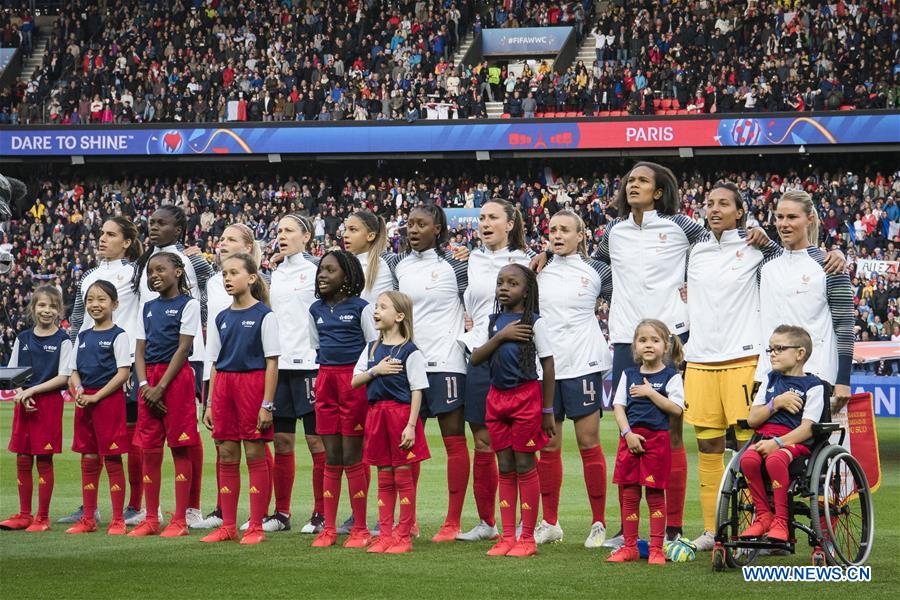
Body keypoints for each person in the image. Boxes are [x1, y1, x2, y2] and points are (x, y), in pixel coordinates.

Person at [532, 209, 613, 547]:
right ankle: (550, 522)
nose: (558, 235)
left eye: (565, 230)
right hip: (546, 367)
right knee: (548, 446)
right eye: (553, 229)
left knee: (588, 442)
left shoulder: (597, 270)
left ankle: (599, 523)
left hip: (584, 363)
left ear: (581, 235)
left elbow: (621, 300)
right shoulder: (537, 270)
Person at [393, 204, 470, 542]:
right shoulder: (398, 265)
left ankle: (452, 522)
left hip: (446, 362)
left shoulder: (457, 265)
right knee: (407, 442)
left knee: (454, 441)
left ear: (437, 228)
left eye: (421, 224)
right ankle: (407, 520)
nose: (413, 229)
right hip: (409, 364)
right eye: (410, 223)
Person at [457, 198, 533, 542]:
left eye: (493, 218)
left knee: (520, 444)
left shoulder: (527, 261)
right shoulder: (470, 259)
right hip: (479, 354)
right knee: (483, 441)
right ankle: (487, 522)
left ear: (510, 224)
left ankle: (525, 524)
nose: (485, 223)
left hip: (514, 358)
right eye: (482, 218)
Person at [62, 217, 144, 527]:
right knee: (90, 443)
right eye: (101, 233)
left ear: (126, 242)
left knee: (128, 439)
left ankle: (136, 505)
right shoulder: (89, 276)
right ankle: (90, 509)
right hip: (88, 363)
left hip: (124, 362)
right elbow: (78, 319)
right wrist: (72, 363)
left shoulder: (136, 273)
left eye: (111, 234)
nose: (102, 238)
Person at [192, 223, 274, 530]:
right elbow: (214, 358)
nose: (227, 278)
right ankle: (226, 522)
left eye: (234, 273)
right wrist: (209, 402)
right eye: (225, 274)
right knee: (226, 450)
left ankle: (257, 522)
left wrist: (267, 402)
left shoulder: (264, 312)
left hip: (252, 382)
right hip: (223, 382)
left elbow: (271, 359)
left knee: (254, 449)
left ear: (251, 277)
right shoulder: (219, 310)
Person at [471, 264, 556, 557]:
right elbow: (476, 358)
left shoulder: (535, 322)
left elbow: (548, 366)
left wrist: (547, 410)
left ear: (527, 291)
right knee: (505, 466)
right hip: (496, 399)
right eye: (500, 283)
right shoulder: (493, 321)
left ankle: (527, 538)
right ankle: (507, 537)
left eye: (512, 283)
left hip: (525, 398)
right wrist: (501, 336)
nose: (504, 288)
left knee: (524, 464)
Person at [136, 205, 212, 526]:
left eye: (161, 223)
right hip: (153, 358)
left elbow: (209, 294)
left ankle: (190, 508)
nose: (153, 227)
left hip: (186, 356)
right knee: (151, 440)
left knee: (187, 436)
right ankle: (151, 512)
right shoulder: (145, 262)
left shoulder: (192, 259)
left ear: (178, 229)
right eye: (151, 222)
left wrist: (194, 325)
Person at [757, 190, 854, 418]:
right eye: (780, 217)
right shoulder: (765, 267)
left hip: (817, 377)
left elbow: (845, 327)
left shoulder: (830, 265)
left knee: (816, 441)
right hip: (769, 378)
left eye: (792, 217)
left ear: (810, 219)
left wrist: (843, 381)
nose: (784, 224)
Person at [308, 250, 377, 548]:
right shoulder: (315, 309)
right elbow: (316, 346)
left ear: (347, 276)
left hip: (353, 381)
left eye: (330, 270)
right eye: (321, 270)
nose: (322, 275)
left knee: (352, 456)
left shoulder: (362, 308)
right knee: (331, 457)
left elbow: (373, 348)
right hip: (326, 381)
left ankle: (360, 528)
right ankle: (329, 528)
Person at [352, 291, 430, 554]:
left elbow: (417, 389)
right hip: (376, 416)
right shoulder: (371, 348)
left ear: (399, 316)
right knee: (384, 476)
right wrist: (376, 370)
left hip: (400, 416)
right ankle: (385, 535)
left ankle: (403, 536)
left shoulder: (410, 351)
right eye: (376, 306)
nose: (376, 311)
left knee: (403, 476)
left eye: (382, 307)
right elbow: (355, 380)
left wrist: (411, 426)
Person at [129, 253, 200, 537]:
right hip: (149, 382)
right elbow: (139, 350)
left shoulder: (188, 304)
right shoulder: (147, 307)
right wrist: (145, 385)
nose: (154, 275)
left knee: (180, 448)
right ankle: (151, 518)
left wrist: (160, 388)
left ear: (178, 272)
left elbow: (183, 349)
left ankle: (180, 520)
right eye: (150, 271)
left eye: (161, 269)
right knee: (149, 449)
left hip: (176, 379)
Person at [266, 215, 325, 534]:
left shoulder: (317, 269)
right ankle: (281, 513)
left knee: (316, 440)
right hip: (280, 365)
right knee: (282, 440)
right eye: (279, 231)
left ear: (306, 236)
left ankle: (321, 513)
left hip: (310, 365)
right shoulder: (275, 273)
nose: (282, 235)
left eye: (289, 230)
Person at [608, 319, 685, 565]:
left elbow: (677, 409)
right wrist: (627, 434)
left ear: (666, 347)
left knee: (654, 494)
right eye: (642, 340)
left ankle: (656, 549)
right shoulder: (628, 374)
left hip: (657, 441)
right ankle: (630, 546)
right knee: (630, 494)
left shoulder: (671, 376)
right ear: (635, 347)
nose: (648, 345)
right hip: (630, 440)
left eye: (655, 340)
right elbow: (618, 406)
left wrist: (651, 392)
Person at [740, 325, 825, 542]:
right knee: (747, 460)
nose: (773, 354)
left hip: (794, 442)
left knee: (775, 460)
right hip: (764, 438)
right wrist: (775, 403)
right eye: (770, 349)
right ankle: (763, 516)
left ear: (800, 354)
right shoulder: (770, 380)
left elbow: (807, 428)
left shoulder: (814, 386)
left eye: (779, 348)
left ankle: (781, 520)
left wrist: (777, 443)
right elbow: (752, 419)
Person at [1, 286, 72, 532]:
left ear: (59, 310)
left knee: (44, 458)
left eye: (52, 306)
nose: (46, 310)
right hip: (25, 402)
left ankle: (42, 517)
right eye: (42, 305)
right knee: (22, 457)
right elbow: (12, 373)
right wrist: (22, 392)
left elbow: (63, 377)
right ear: (33, 308)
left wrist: (31, 391)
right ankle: (24, 515)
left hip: (48, 404)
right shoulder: (23, 338)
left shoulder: (63, 340)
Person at [66, 281, 133, 535]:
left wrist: (97, 397)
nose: (95, 304)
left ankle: (118, 520)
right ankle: (88, 518)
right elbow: (73, 371)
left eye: (101, 299)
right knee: (89, 458)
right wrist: (79, 390)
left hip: (108, 403)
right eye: (91, 300)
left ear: (114, 304)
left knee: (113, 458)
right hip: (86, 403)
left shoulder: (119, 335)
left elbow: (123, 373)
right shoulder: (82, 336)